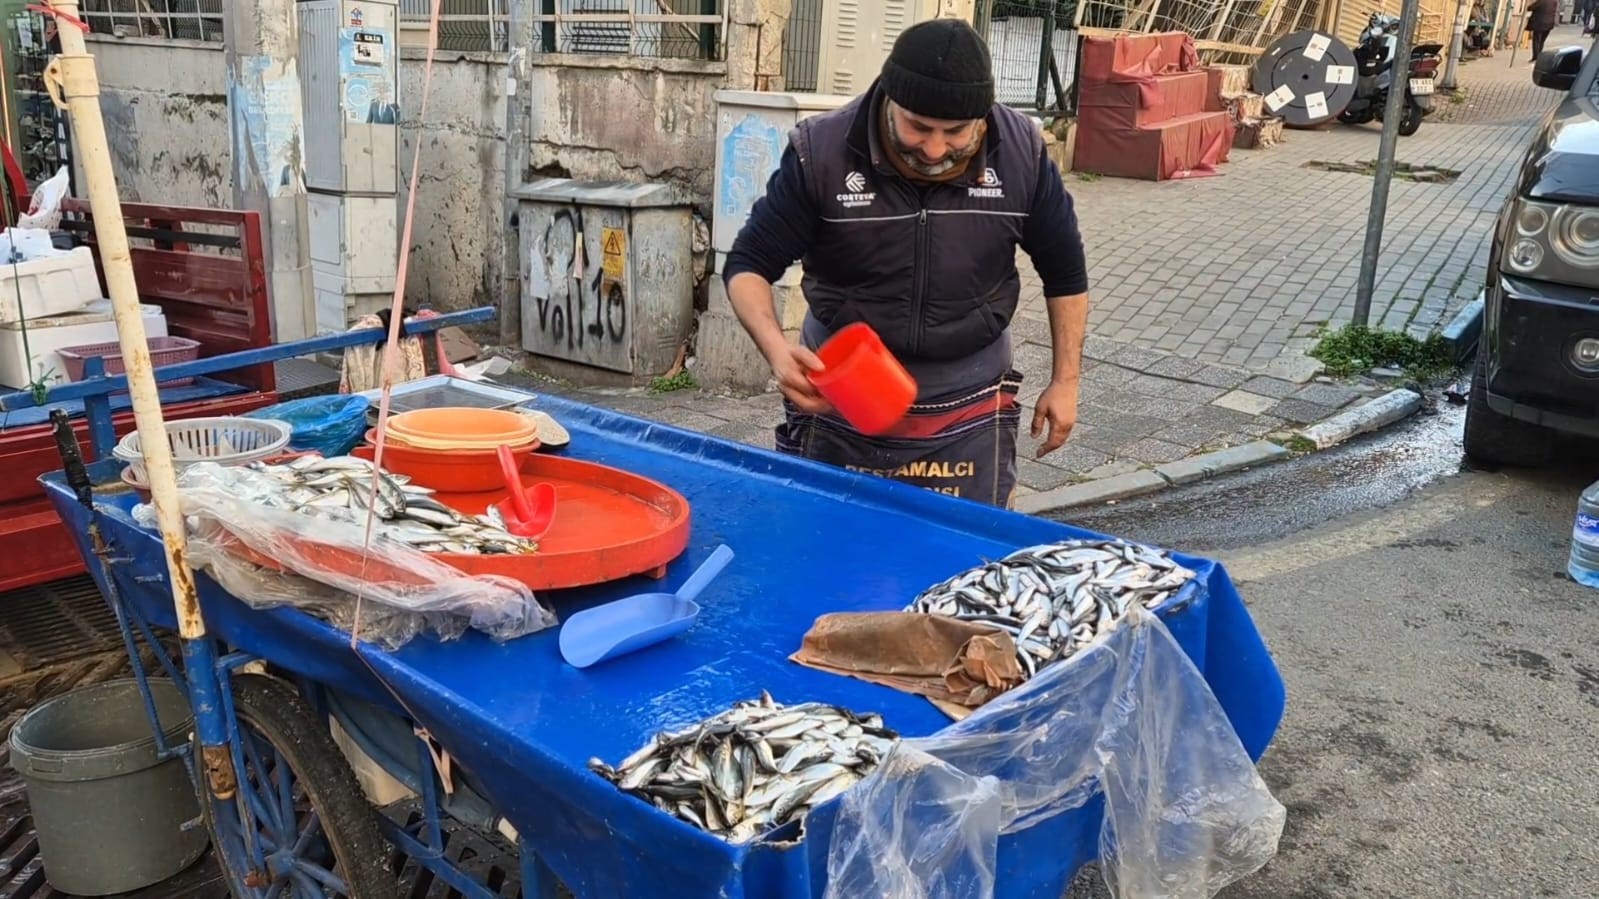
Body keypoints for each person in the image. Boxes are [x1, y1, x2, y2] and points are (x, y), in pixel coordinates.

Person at [721, 17, 1090, 509]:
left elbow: (1065, 272)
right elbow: (747, 263)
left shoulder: (1021, 152)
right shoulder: (822, 151)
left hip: (968, 404)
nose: (935, 149)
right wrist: (774, 348)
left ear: (983, 117)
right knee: (829, 554)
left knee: (962, 564)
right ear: (889, 99)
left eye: (956, 132)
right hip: (844, 401)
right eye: (918, 127)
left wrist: (1065, 381)